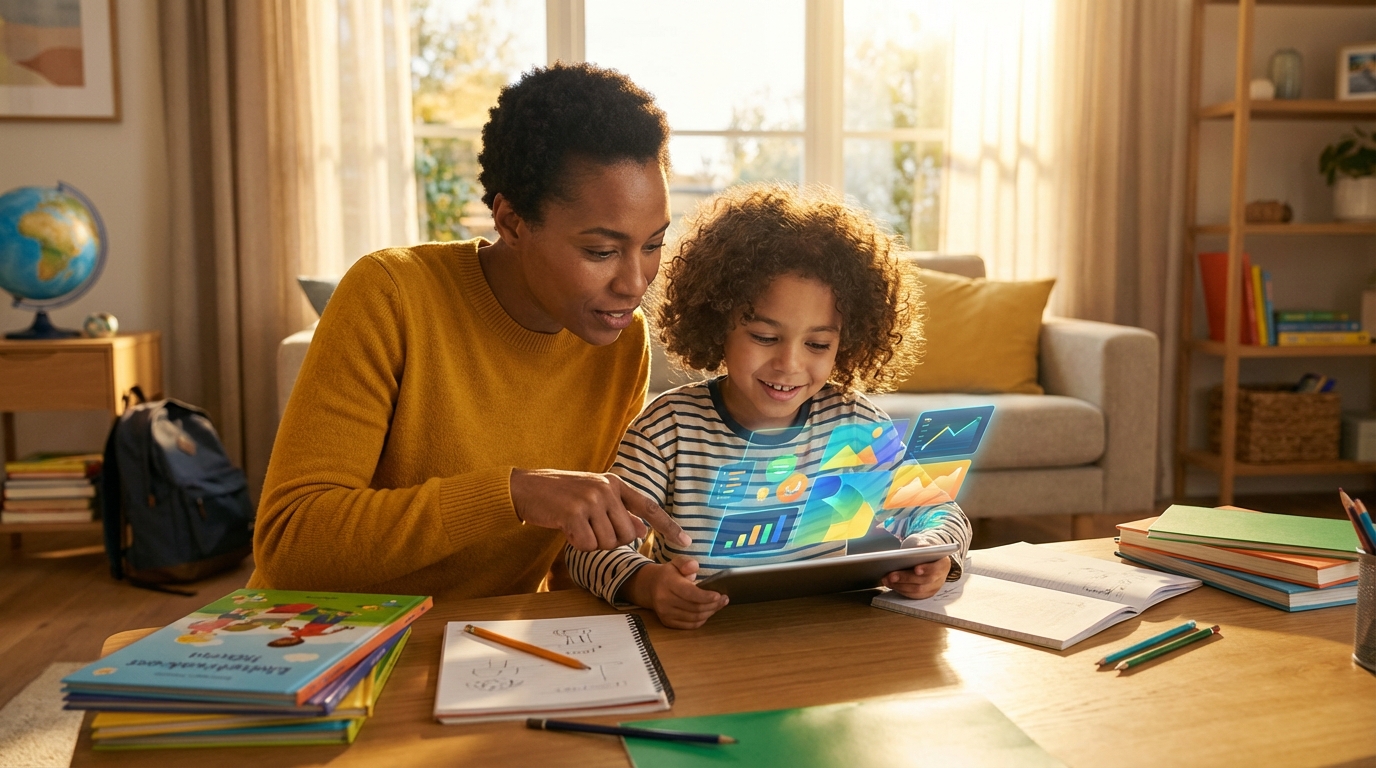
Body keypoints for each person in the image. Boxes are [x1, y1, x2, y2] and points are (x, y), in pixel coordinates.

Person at [249, 63, 689, 600]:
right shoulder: (390, 295)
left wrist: (642, 581)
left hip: (483, 639)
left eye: (652, 244)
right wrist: (512, 494)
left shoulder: (621, 340)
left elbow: (574, 552)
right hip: (324, 631)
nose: (635, 282)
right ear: (511, 222)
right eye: (601, 251)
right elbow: (291, 545)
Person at [565, 184, 973, 629]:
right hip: (702, 643)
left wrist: (934, 554)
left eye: (817, 344)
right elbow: (588, 550)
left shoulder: (855, 425)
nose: (789, 364)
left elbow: (941, 512)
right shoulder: (668, 429)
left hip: (822, 637)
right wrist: (647, 584)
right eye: (764, 337)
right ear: (717, 321)